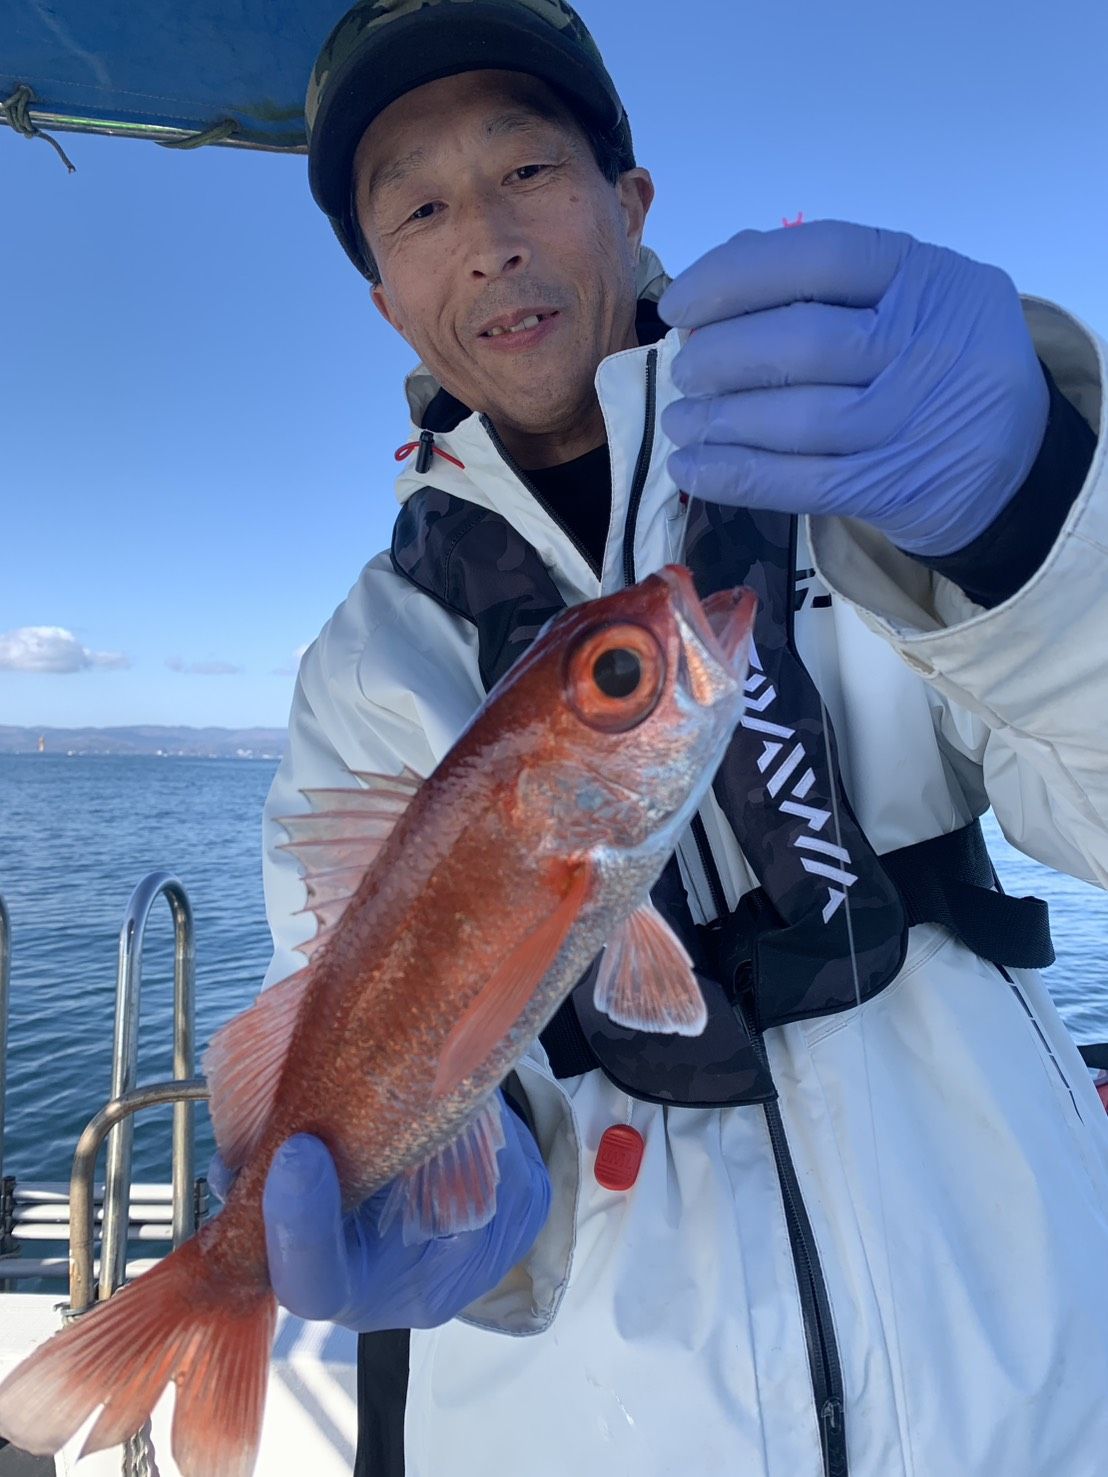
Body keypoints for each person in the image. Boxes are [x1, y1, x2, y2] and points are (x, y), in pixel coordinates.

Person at [257, 2, 1108, 1473]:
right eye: (420, 209)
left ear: (630, 200)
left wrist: (1039, 520)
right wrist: (469, 1193)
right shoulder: (363, 666)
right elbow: (336, 988)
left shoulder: (869, 466)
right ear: (389, 300)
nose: (487, 241)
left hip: (1027, 1397)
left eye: (528, 169)